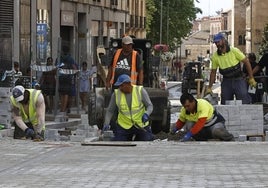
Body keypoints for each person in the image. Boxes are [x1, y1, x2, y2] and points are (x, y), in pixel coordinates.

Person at [207, 33, 257, 104]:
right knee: (225, 103)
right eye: (216, 43)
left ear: (223, 40)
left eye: (218, 42)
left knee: (244, 102)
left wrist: (251, 78)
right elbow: (213, 72)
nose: (217, 44)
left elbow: (246, 62)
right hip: (226, 82)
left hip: (239, 80)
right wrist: (209, 87)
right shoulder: (215, 57)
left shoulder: (234, 51)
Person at [102, 74, 154, 141]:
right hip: (124, 126)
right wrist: (106, 123)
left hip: (140, 125)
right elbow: (110, 111)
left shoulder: (140, 91)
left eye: (122, 86)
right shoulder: (116, 94)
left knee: (146, 140)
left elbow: (150, 106)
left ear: (128, 84)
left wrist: (146, 114)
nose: (120, 88)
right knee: (118, 143)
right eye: (119, 86)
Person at [58, 46, 78, 113]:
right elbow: (75, 68)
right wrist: (73, 74)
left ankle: (62, 108)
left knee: (61, 93)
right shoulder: (70, 59)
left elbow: (56, 67)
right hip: (68, 78)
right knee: (66, 93)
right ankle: (63, 109)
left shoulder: (59, 58)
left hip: (61, 77)